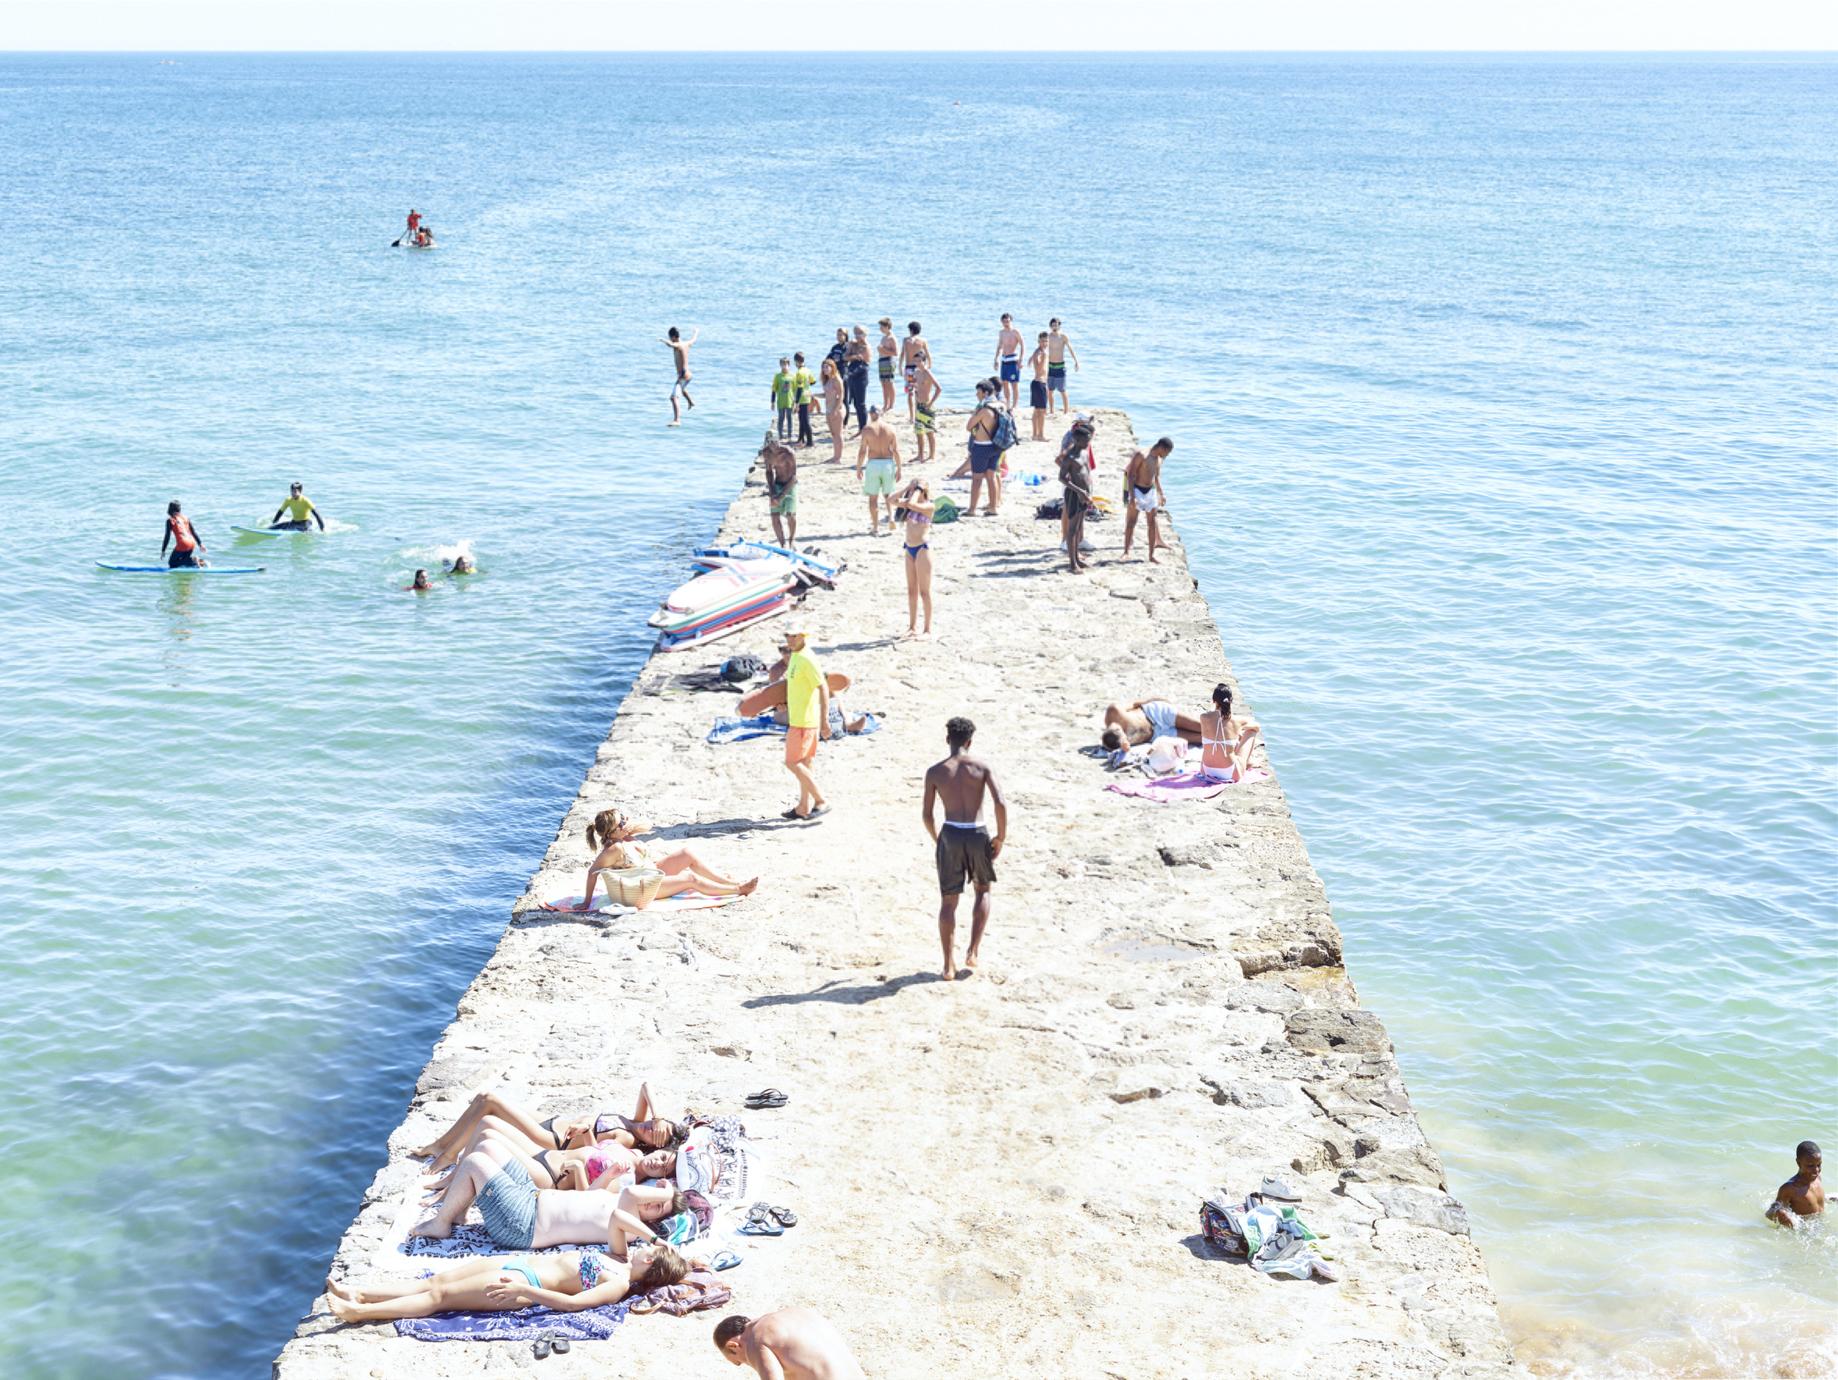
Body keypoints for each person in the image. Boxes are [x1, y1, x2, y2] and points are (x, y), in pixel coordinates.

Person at [412, 1132, 691, 1250]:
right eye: (657, 1201)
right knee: (488, 1147)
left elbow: (633, 1196)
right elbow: (589, 1197)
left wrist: (667, 1194)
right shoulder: (620, 1205)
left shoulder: (630, 1228)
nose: (652, 1203)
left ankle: (441, 1223)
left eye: (658, 1207)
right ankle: (458, 1212)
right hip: (530, 1197)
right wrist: (610, 1175)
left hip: (521, 1224)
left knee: (475, 1162)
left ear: (654, 1219)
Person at [328, 1239, 690, 1324]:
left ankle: (358, 1313)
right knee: (435, 1280)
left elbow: (572, 1304)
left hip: (522, 1281)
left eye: (651, 1247)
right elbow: (619, 1214)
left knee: (440, 1296)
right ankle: (360, 1292)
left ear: (650, 1260)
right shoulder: (618, 1256)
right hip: (516, 1264)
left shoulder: (618, 1283)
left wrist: (523, 1291)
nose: (644, 1244)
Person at [414, 1083, 685, 1170]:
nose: (652, 1128)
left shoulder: (626, 1139)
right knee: (481, 1099)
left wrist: (585, 1128)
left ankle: (450, 1154)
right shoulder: (637, 1121)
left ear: (652, 1146)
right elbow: (645, 1086)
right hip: (553, 1121)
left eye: (656, 1135)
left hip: (551, 1139)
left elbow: (595, 1153)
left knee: (489, 1101)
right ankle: (441, 1144)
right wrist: (659, 1116)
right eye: (657, 1125)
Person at [923, 716, 1007, 980]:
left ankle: (948, 965)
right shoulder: (982, 767)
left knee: (949, 901)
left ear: (948, 740)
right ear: (970, 741)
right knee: (982, 891)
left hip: (950, 832)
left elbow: (927, 815)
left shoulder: (935, 772)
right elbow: (1000, 803)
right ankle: (972, 951)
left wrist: (939, 840)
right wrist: (1000, 838)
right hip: (977, 832)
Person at [576, 806, 759, 911]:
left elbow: (648, 825)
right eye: (621, 822)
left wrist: (627, 825)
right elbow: (592, 872)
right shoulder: (614, 848)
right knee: (690, 879)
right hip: (640, 889)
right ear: (612, 832)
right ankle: (737, 889)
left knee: (687, 853)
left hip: (650, 874)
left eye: (624, 818)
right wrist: (586, 902)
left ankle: (724, 881)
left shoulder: (625, 835)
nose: (626, 821)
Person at [714, 1308, 868, 1378]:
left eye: (739, 1362)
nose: (745, 1364)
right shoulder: (795, 1312)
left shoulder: (756, 1340)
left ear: (733, 1346)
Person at [777, 628, 829, 821]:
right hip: (799, 718)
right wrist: (786, 705)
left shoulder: (807, 658)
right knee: (806, 763)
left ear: (802, 637)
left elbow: (823, 687)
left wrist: (824, 721)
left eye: (792, 636)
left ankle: (821, 800)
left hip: (805, 721)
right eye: (786, 636)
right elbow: (797, 688)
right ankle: (803, 807)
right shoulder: (796, 657)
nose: (788, 640)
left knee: (792, 762)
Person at [893, 479, 935, 640]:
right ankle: (912, 626)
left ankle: (927, 630)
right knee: (912, 590)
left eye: (915, 491)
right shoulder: (911, 502)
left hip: (923, 550)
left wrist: (918, 489)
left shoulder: (928, 506)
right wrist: (906, 488)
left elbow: (912, 504)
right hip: (909, 549)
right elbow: (891, 500)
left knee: (924, 592)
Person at [1121, 437, 1173, 563]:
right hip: (1137, 490)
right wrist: (1132, 497)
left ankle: (1151, 555)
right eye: (1168, 452)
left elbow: (1156, 477)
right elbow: (1131, 475)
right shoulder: (1142, 455)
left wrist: (1161, 494)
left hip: (1150, 491)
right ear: (1162, 448)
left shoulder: (1159, 459)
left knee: (1152, 523)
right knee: (1131, 522)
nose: (1167, 455)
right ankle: (1126, 552)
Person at [1198, 682, 1260, 783]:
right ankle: (1246, 762)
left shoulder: (1203, 717)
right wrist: (1240, 729)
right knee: (1251, 731)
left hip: (1206, 771)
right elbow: (1257, 726)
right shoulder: (1237, 721)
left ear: (1214, 700)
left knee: (1227, 740)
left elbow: (1216, 721)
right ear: (1230, 701)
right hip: (1229, 773)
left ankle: (1243, 761)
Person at [855, 405, 903, 535]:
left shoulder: (867, 429)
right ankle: (891, 518)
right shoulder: (890, 428)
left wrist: (859, 467)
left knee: (873, 498)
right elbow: (896, 451)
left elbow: (862, 451)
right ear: (881, 413)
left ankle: (875, 527)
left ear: (870, 414)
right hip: (888, 463)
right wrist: (899, 468)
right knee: (888, 495)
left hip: (873, 464)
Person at [1101, 697, 1204, 753]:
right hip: (1158, 735)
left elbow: (1135, 703)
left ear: (1118, 729)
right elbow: (1122, 750)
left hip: (1156, 714)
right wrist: (1124, 748)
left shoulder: (1115, 711)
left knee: (1202, 727)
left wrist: (1156, 700)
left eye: (1124, 736)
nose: (1127, 738)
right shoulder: (1116, 743)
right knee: (1203, 738)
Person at [964, 381, 1004, 517]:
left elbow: (969, 426)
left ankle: (972, 509)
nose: (977, 395)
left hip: (982, 446)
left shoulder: (984, 409)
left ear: (985, 393)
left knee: (977, 479)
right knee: (991, 476)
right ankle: (993, 507)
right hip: (997, 446)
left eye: (978, 392)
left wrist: (976, 413)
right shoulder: (1001, 406)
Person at [1057, 426, 1093, 574]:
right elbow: (1062, 478)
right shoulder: (1070, 457)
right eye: (1085, 440)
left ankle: (1077, 558)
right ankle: (1072, 564)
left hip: (1085, 493)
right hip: (1074, 494)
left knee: (1078, 527)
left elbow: (1086, 472)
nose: (1088, 443)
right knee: (1072, 529)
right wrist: (1079, 491)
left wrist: (1089, 492)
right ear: (1077, 440)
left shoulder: (1084, 453)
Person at [1767, 1141, 1824, 1228]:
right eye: (1810, 1165)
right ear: (1798, 1163)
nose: (1816, 1170)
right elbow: (1770, 1213)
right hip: (1803, 1230)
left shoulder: (1818, 1178)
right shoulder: (1789, 1188)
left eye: (1819, 1165)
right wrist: (1779, 1214)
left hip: (1821, 1223)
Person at [761, 434, 798, 548]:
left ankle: (791, 540)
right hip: (777, 483)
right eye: (771, 442)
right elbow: (769, 472)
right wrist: (772, 492)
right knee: (774, 515)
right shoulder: (767, 453)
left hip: (789, 484)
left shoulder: (788, 453)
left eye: (775, 441)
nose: (774, 445)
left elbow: (794, 477)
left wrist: (781, 496)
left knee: (790, 515)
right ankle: (782, 544)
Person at [664, 326, 698, 426]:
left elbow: (671, 345)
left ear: (674, 337)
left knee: (673, 397)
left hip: (683, 375)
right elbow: (694, 339)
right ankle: (691, 402)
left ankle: (677, 420)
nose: (670, 339)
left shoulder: (677, 345)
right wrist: (696, 332)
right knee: (681, 389)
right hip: (688, 375)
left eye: (670, 337)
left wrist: (663, 340)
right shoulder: (686, 343)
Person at [1045, 317, 1079, 413]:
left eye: (1056, 325)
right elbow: (1043, 350)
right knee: (1050, 390)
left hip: (1060, 366)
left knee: (1062, 390)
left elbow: (1070, 348)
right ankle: (1051, 410)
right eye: (1053, 325)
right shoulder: (1048, 337)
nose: (1054, 327)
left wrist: (1076, 361)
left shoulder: (1063, 337)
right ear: (1050, 326)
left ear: (1059, 326)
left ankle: (1066, 411)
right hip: (1050, 366)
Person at [911, 354, 942, 463]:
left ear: (924, 361)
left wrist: (931, 403)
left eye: (920, 361)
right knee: (919, 432)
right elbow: (914, 387)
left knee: (929, 432)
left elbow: (939, 388)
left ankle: (932, 455)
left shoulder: (928, 373)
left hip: (927, 406)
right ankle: (920, 455)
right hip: (919, 406)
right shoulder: (916, 372)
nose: (917, 363)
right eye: (916, 361)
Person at [161, 500, 206, 568]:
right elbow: (193, 532)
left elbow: (167, 537)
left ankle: (194, 559)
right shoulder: (186, 518)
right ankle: (200, 562)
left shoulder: (170, 520)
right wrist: (200, 544)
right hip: (192, 543)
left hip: (183, 543)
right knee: (183, 561)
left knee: (172, 563)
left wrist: (163, 550)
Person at [899, 321, 929, 422]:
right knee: (918, 392)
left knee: (910, 392)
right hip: (919, 368)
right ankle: (917, 415)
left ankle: (912, 416)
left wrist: (900, 367)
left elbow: (902, 354)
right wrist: (927, 367)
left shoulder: (906, 340)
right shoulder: (923, 340)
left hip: (909, 369)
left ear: (911, 330)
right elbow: (928, 355)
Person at [993, 312, 1024, 409]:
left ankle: (1015, 405)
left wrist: (1021, 360)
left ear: (1011, 321)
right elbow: (999, 346)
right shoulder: (1001, 332)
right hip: (1004, 359)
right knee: (1005, 383)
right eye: (1004, 321)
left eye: (1008, 321)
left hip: (1013, 359)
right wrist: (996, 359)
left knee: (1014, 384)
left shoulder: (1015, 332)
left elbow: (1023, 345)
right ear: (1001, 322)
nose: (1006, 323)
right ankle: (1007, 404)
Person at [844, 326, 871, 433]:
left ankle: (863, 428)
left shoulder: (866, 346)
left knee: (861, 403)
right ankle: (861, 428)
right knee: (855, 403)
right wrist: (854, 356)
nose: (858, 336)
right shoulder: (853, 344)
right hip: (852, 374)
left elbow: (865, 360)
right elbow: (845, 357)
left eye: (860, 333)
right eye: (856, 333)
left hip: (861, 375)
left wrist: (854, 356)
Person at [820, 358, 846, 463]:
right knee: (833, 434)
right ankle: (835, 456)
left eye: (827, 367)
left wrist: (835, 410)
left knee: (838, 434)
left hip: (837, 409)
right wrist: (813, 395)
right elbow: (826, 395)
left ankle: (838, 458)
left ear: (832, 367)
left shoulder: (836, 379)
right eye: (823, 367)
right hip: (828, 409)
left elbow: (841, 395)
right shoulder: (827, 380)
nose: (824, 369)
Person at [1028, 332, 1050, 440]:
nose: (1044, 343)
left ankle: (1035, 435)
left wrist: (1030, 360)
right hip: (1039, 383)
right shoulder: (1041, 353)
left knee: (1037, 411)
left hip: (1038, 383)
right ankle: (1040, 435)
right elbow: (1039, 369)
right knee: (1041, 412)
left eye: (1046, 341)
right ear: (1038, 341)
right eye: (1042, 341)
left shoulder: (1038, 351)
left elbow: (1031, 359)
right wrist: (1044, 358)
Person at [792, 352, 816, 448]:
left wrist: (796, 402)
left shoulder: (799, 372)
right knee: (802, 419)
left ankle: (810, 441)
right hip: (807, 396)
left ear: (796, 362)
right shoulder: (807, 370)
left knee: (805, 420)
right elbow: (813, 382)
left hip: (802, 398)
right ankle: (801, 439)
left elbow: (800, 388)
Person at [876, 317, 899, 414]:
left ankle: (891, 405)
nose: (880, 328)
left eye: (881, 326)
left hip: (889, 361)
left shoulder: (892, 338)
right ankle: (885, 404)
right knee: (883, 383)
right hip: (882, 361)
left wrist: (883, 350)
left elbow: (895, 352)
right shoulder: (884, 337)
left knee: (889, 383)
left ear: (887, 327)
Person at [771, 357, 795, 441]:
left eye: (786, 364)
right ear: (780, 365)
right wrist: (772, 402)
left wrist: (796, 402)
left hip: (790, 401)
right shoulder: (777, 376)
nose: (784, 366)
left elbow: (795, 390)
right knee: (781, 418)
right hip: (780, 402)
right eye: (782, 364)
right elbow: (774, 390)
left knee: (790, 418)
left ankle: (789, 436)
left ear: (789, 365)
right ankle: (780, 435)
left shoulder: (792, 376)